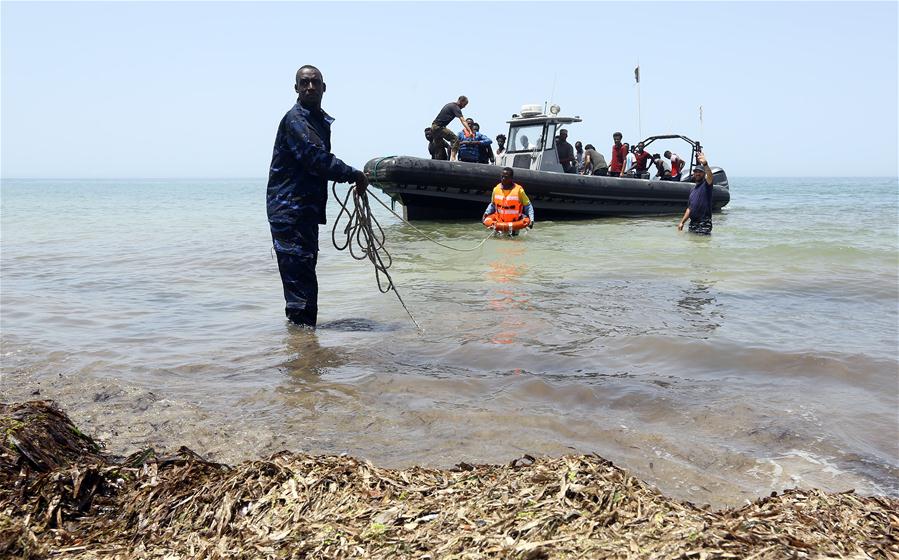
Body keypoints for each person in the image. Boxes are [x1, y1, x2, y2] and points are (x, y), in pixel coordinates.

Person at [266, 65, 368, 328]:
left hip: (305, 212)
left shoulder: (315, 119)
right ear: (296, 88)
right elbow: (315, 158)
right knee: (299, 286)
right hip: (289, 212)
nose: (310, 87)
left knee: (306, 278)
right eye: (304, 83)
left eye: (315, 82)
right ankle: (301, 352)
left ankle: (305, 347)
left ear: (324, 87)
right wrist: (353, 174)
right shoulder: (296, 120)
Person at [677, 153, 715, 234]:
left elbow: (710, 176)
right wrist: (682, 222)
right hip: (693, 223)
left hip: (704, 222)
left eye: (700, 172)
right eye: (696, 172)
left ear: (704, 173)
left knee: (702, 245)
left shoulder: (706, 185)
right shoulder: (692, 190)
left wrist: (705, 164)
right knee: (692, 244)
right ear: (693, 174)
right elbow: (689, 208)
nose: (697, 173)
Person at [431, 96, 473, 161]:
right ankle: (453, 158)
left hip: (434, 128)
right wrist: (470, 131)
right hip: (439, 127)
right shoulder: (456, 107)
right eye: (464, 104)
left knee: (439, 146)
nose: (464, 107)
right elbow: (463, 120)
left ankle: (438, 161)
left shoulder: (450, 105)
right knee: (455, 139)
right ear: (461, 101)